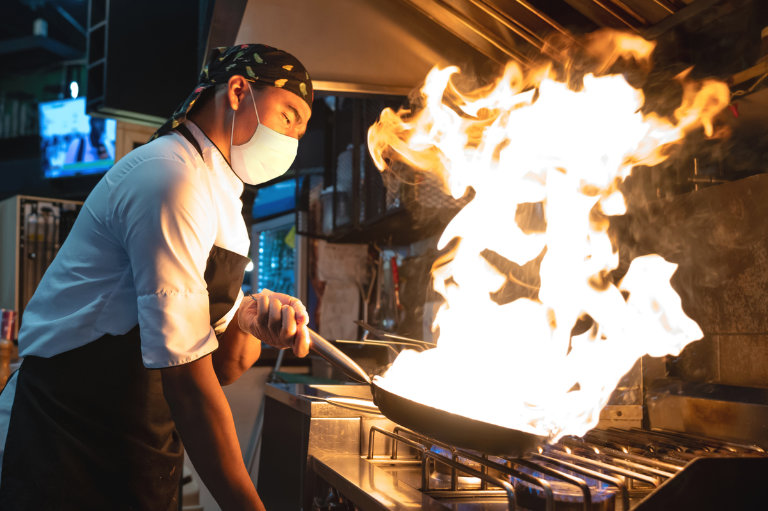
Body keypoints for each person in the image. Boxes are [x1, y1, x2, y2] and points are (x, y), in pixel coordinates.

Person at [0, 44, 314, 511]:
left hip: (137, 445)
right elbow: (188, 384)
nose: (292, 138)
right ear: (237, 91)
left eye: (301, 129)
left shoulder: (224, 203)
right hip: (64, 437)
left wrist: (250, 322)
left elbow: (221, 368)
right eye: (288, 115)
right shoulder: (169, 177)